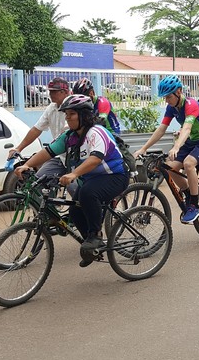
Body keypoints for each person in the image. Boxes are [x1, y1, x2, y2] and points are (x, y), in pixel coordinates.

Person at [13, 94, 129, 267]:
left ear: (84, 115)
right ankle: (90, 246)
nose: (67, 118)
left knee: (89, 194)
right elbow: (48, 152)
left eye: (71, 114)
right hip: (92, 179)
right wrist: (27, 165)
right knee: (75, 211)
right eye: (66, 114)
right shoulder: (70, 136)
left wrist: (73, 174)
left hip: (114, 176)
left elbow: (96, 158)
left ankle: (96, 236)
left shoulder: (96, 132)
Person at [134, 75, 199, 225]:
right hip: (192, 141)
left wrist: (177, 146)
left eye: (168, 96)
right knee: (168, 168)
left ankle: (193, 205)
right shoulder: (171, 108)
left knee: (188, 163)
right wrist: (143, 148)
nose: (166, 100)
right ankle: (188, 191)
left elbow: (186, 128)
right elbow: (161, 129)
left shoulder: (191, 104)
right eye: (164, 97)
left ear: (178, 92)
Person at [7, 76, 71, 178]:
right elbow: (36, 129)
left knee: (74, 187)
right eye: (50, 92)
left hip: (76, 157)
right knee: (40, 179)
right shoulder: (51, 108)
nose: (51, 95)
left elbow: (65, 136)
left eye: (54, 92)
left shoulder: (73, 108)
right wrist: (19, 148)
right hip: (60, 156)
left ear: (65, 92)